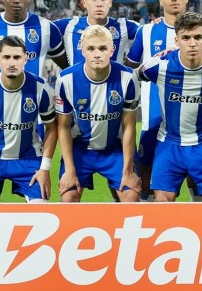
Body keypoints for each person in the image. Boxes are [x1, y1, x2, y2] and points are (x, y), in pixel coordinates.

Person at [125, 0, 202, 201]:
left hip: (196, 125)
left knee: (198, 182)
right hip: (154, 121)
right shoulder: (146, 32)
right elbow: (130, 71)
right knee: (149, 185)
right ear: (160, 0)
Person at [138, 12, 202, 202]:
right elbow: (131, 78)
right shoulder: (159, 65)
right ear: (176, 40)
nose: (192, 43)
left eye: (197, 37)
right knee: (161, 202)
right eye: (186, 38)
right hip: (169, 143)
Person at [0, 36, 57, 203]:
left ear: (25, 59)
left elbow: (51, 128)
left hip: (28, 159)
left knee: (40, 209)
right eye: (6, 57)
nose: (12, 63)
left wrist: (45, 168)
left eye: (17, 57)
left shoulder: (41, 88)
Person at [56, 25, 141, 202]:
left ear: (112, 50)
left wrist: (128, 171)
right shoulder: (66, 79)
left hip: (114, 149)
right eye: (91, 49)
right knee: (68, 199)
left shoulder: (127, 77)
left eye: (102, 48)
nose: (97, 54)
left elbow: (129, 127)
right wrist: (69, 170)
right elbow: (63, 127)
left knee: (131, 197)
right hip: (80, 149)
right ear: (82, 50)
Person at [55, 0, 139, 66]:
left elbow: (147, 31)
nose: (99, 4)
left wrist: (131, 65)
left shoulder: (124, 26)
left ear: (110, 2)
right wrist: (65, 67)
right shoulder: (69, 25)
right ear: (84, 2)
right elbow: (45, 28)